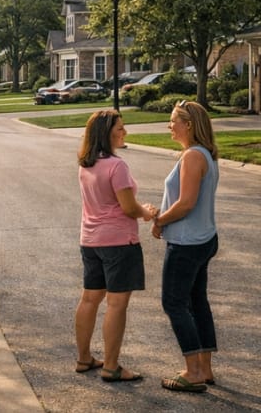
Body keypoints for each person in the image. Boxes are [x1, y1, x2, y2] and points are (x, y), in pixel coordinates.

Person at [74, 109, 157, 383]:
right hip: (119, 243)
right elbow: (128, 208)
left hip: (91, 240)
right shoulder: (116, 166)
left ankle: (84, 358)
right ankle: (111, 366)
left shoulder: (86, 163)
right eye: (120, 128)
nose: (125, 132)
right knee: (116, 304)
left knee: (89, 299)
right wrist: (147, 212)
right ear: (105, 132)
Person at [153, 100, 220, 394]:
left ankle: (193, 371)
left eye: (173, 121)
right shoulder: (205, 153)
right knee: (196, 302)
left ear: (188, 125)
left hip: (186, 243)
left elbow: (186, 204)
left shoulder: (193, 156)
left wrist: (159, 220)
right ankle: (204, 368)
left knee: (174, 303)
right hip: (203, 239)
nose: (169, 126)